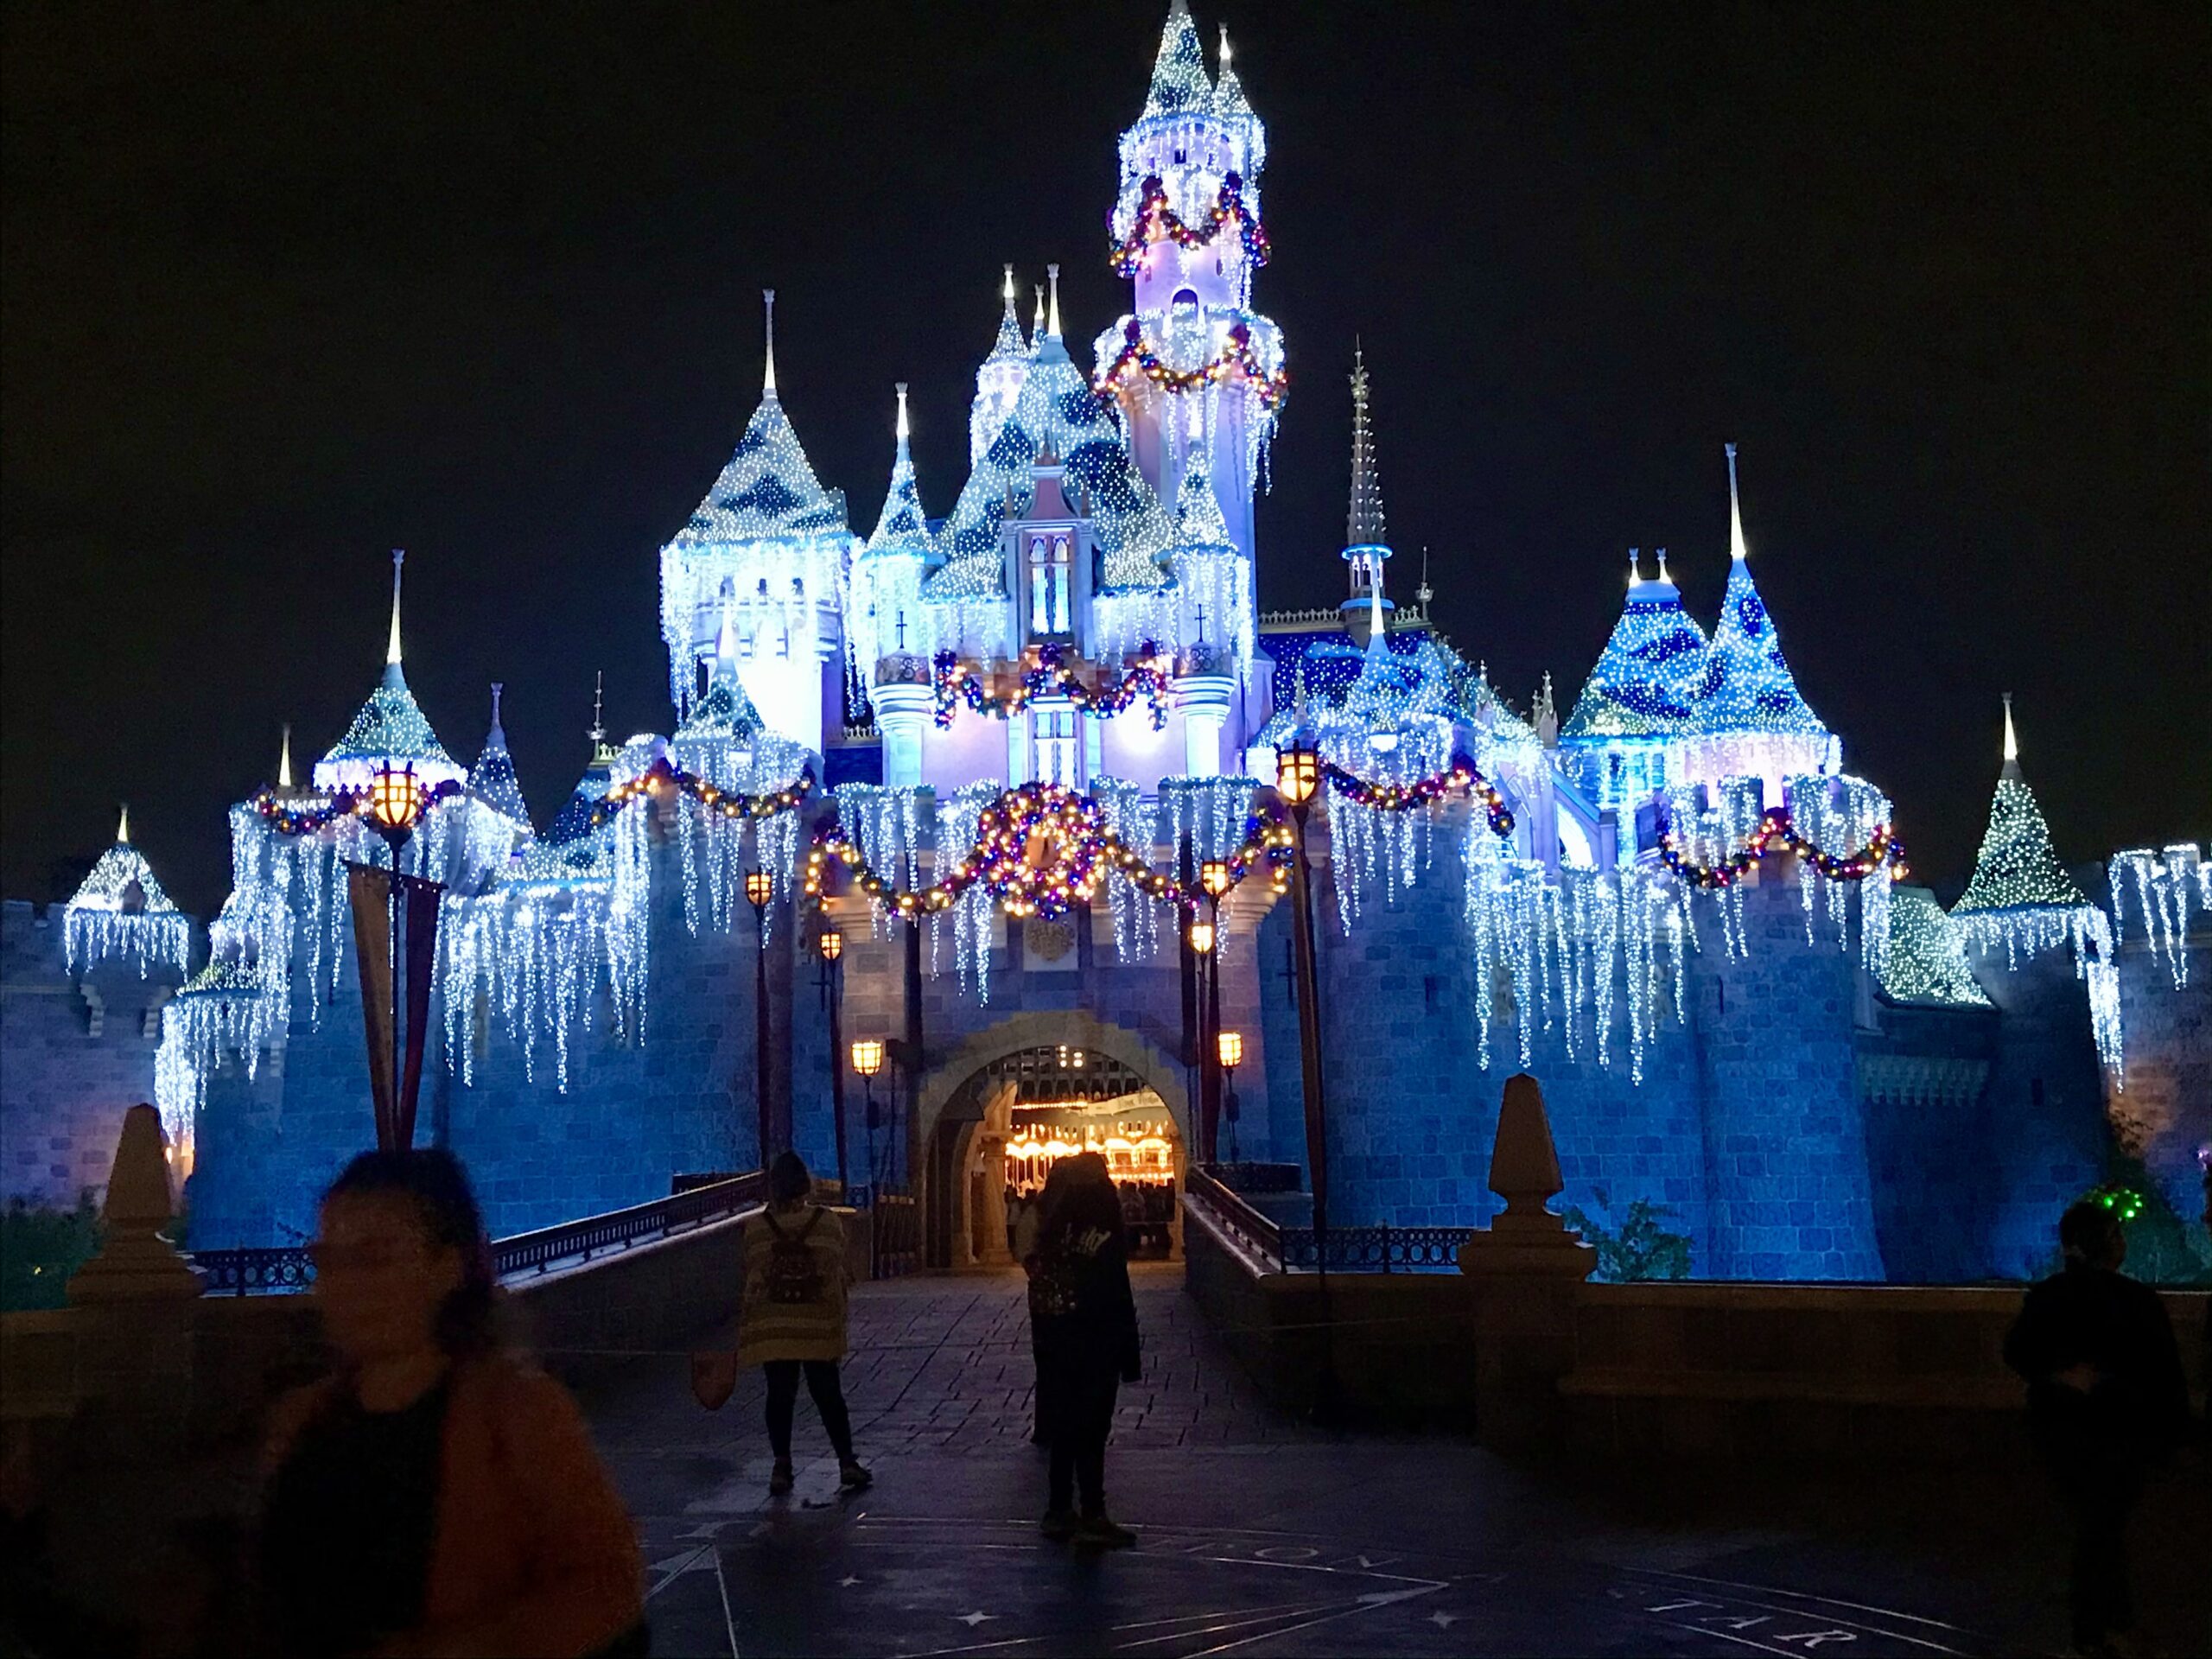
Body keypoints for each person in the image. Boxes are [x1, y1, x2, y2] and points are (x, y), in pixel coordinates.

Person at [259, 1147, 645, 1657]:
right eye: (329, 1259)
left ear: (447, 1268)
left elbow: (607, 1585)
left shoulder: (517, 1417)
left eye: (373, 1258)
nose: (343, 1284)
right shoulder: (299, 1420)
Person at [2004, 1198, 2190, 1657]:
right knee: (2103, 1529)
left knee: (2095, 1527)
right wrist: (2170, 1439)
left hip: (2060, 1434)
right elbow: (2166, 1377)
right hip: (2122, 1434)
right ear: (2109, 1244)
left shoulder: (2046, 1298)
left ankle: (2097, 1630)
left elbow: (2017, 1353)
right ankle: (2108, 1629)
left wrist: (2058, 1377)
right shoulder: (2136, 1303)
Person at [737, 1150, 869, 1497]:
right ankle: (846, 1462)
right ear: (806, 1185)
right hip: (817, 1324)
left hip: (775, 1326)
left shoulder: (756, 1229)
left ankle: (781, 1465)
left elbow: (753, 1276)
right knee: (828, 1394)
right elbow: (838, 1270)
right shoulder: (827, 1222)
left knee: (779, 1395)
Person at [1028, 1152, 1141, 1548]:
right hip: (1097, 1343)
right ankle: (1093, 1512)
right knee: (1093, 1430)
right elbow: (1116, 1293)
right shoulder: (1106, 1233)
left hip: (1058, 1345)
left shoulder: (1051, 1236)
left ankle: (1059, 1509)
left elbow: (1039, 1295)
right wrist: (1128, 1352)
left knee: (1064, 1427)